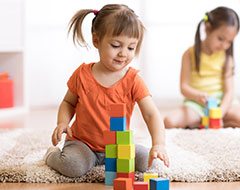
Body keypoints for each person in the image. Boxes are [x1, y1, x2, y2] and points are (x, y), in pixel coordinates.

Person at [44, 4, 169, 178]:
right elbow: (68, 102)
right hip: (84, 144)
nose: (123, 53)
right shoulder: (82, 75)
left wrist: (158, 144)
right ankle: (51, 154)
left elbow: (151, 114)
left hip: (119, 147)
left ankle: (141, 155)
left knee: (149, 163)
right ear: (96, 41)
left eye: (131, 47)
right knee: (72, 166)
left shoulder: (133, 80)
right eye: (116, 45)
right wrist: (62, 122)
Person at [164, 6, 240, 128]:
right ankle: (205, 121)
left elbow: (229, 92)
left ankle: (214, 122)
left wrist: (220, 113)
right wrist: (197, 96)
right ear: (208, 29)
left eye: (229, 41)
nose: (225, 45)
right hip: (197, 104)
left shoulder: (227, 59)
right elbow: (184, 87)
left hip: (222, 104)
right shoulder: (189, 54)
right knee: (169, 121)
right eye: (221, 39)